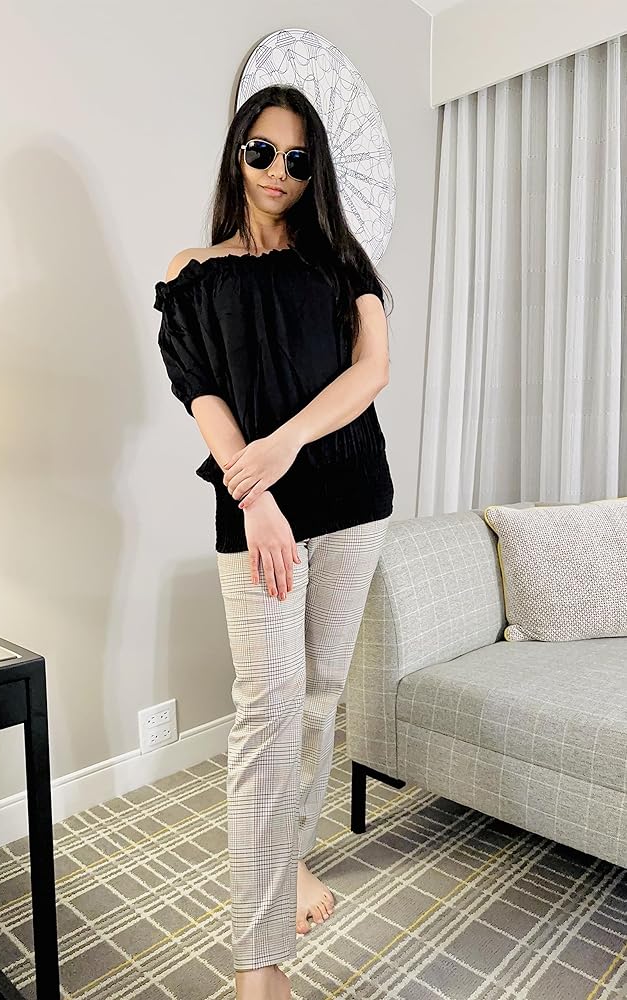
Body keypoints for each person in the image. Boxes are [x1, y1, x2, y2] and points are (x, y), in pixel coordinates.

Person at [153, 83, 394, 1000]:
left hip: (354, 497)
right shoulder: (193, 271)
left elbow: (372, 370)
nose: (278, 172)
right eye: (262, 151)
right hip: (259, 513)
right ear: (236, 154)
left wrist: (285, 443)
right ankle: (259, 965)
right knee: (267, 713)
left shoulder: (341, 262)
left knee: (320, 694)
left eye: (297, 159)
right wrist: (253, 492)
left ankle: (291, 855)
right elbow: (201, 392)